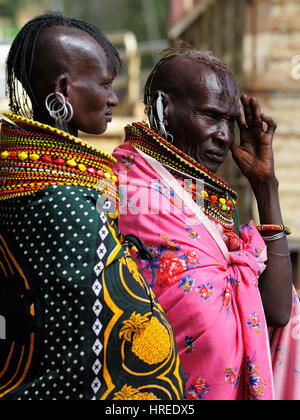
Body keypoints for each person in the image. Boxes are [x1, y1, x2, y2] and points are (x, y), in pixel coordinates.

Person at [0, 13, 186, 400]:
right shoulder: (59, 202)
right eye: (105, 84)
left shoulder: (32, 175)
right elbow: (98, 337)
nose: (115, 98)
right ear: (64, 89)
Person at [113, 47, 300, 400]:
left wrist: (265, 186)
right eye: (211, 116)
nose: (225, 136)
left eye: (229, 121)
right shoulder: (126, 191)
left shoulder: (203, 202)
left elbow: (276, 311)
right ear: (163, 109)